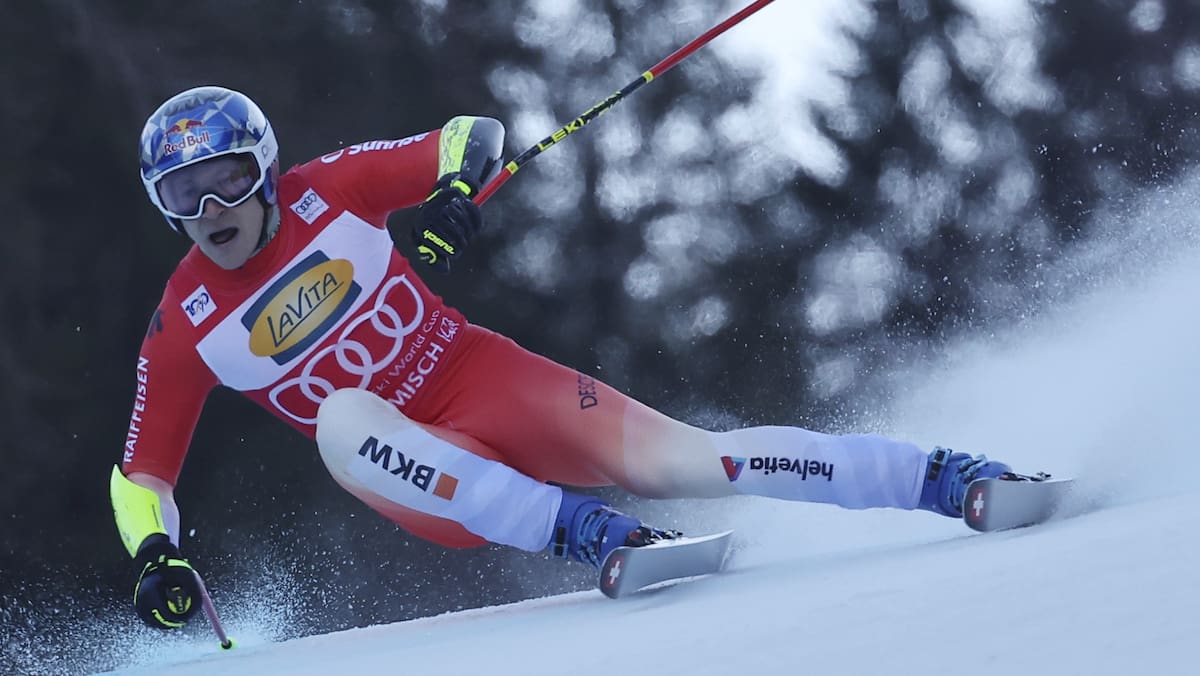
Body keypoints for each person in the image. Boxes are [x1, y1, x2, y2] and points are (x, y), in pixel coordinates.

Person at [111, 85, 1013, 629]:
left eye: (223, 176)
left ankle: (942, 478)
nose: (208, 206)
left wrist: (457, 192)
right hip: (419, 474)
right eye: (181, 191)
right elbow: (140, 474)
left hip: (480, 375)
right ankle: (583, 535)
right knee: (341, 416)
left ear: (261, 169)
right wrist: (157, 556)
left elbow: (471, 135)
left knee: (690, 459)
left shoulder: (329, 190)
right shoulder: (185, 319)